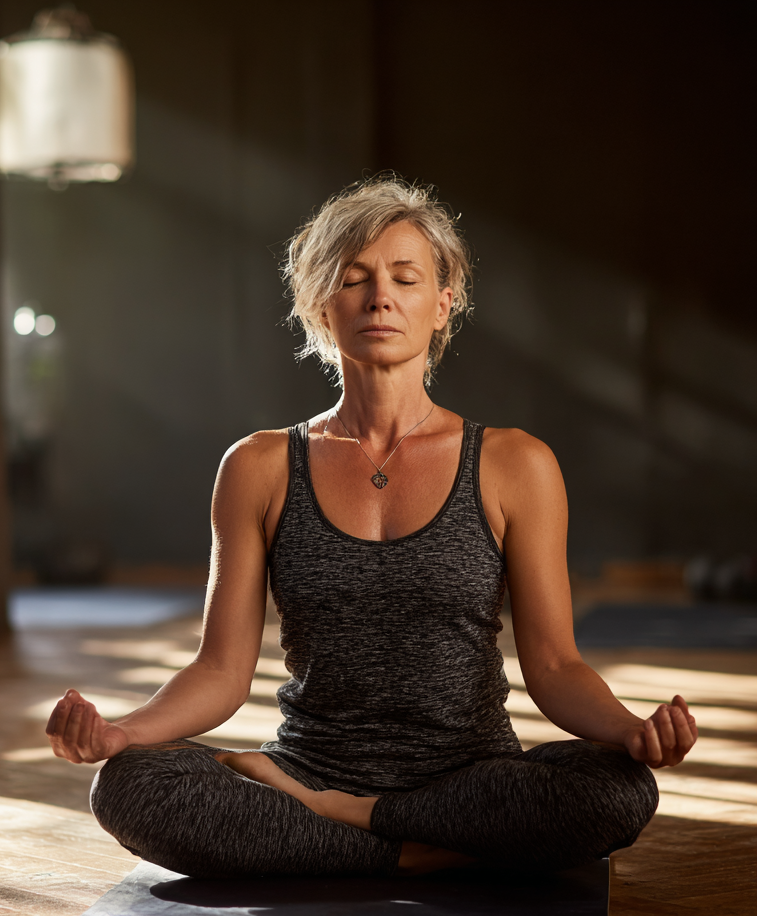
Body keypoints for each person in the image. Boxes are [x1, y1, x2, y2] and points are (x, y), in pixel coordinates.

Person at [46, 176, 697, 879]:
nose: (380, 296)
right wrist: (120, 733)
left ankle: (350, 824)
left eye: (405, 278)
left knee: (618, 789)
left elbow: (556, 667)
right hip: (310, 763)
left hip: (470, 777)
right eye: (353, 279)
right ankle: (431, 854)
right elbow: (222, 670)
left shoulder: (516, 463)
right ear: (323, 308)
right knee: (128, 786)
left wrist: (632, 731)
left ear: (442, 304)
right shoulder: (260, 466)